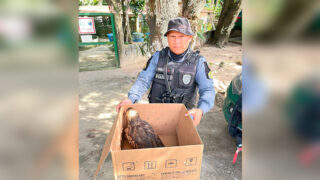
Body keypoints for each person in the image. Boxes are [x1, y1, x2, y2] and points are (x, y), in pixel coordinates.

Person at [116, 17, 215, 127]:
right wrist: (130, 99)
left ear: (189, 38)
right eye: (172, 36)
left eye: (181, 36)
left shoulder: (199, 62)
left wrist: (201, 110)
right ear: (167, 37)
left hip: (185, 118)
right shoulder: (157, 57)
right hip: (157, 114)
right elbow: (143, 81)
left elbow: (207, 89)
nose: (177, 41)